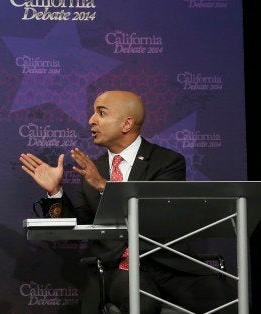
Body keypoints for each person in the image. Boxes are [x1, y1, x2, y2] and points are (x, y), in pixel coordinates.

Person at [19, 90, 236, 313]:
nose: (91, 120)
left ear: (127, 124)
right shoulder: (94, 170)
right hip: (117, 269)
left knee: (231, 302)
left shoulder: (167, 162)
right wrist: (55, 191)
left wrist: (104, 185)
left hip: (166, 263)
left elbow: (159, 216)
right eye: (93, 113)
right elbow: (79, 225)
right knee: (142, 303)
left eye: (101, 113)